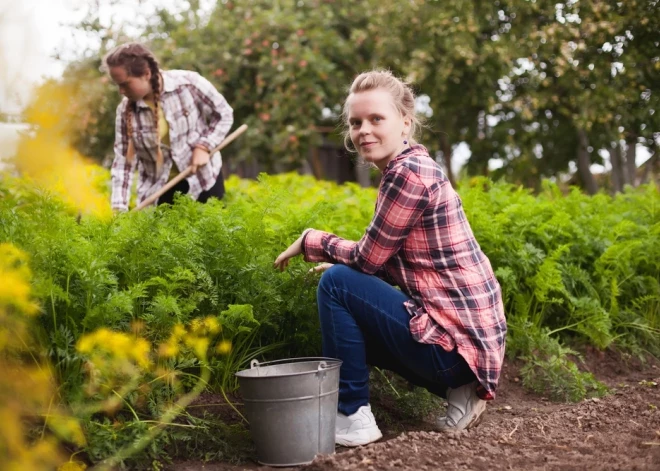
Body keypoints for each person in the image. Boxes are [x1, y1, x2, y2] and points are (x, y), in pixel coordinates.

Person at [274, 70, 507, 447]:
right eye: (355, 122)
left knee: (336, 285)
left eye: (376, 119)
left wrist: (310, 240)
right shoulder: (414, 165)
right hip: (472, 347)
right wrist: (347, 264)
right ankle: (461, 391)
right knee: (345, 285)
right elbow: (387, 259)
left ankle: (352, 415)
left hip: (458, 350)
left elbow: (367, 261)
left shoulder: (408, 175)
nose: (363, 130)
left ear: (405, 123)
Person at [102, 42, 234, 211]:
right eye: (117, 85)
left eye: (125, 84)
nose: (121, 91)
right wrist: (119, 208)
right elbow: (123, 163)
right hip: (160, 192)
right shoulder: (125, 111)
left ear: (146, 74)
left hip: (203, 181)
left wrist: (204, 146)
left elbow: (224, 114)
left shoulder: (189, 84)